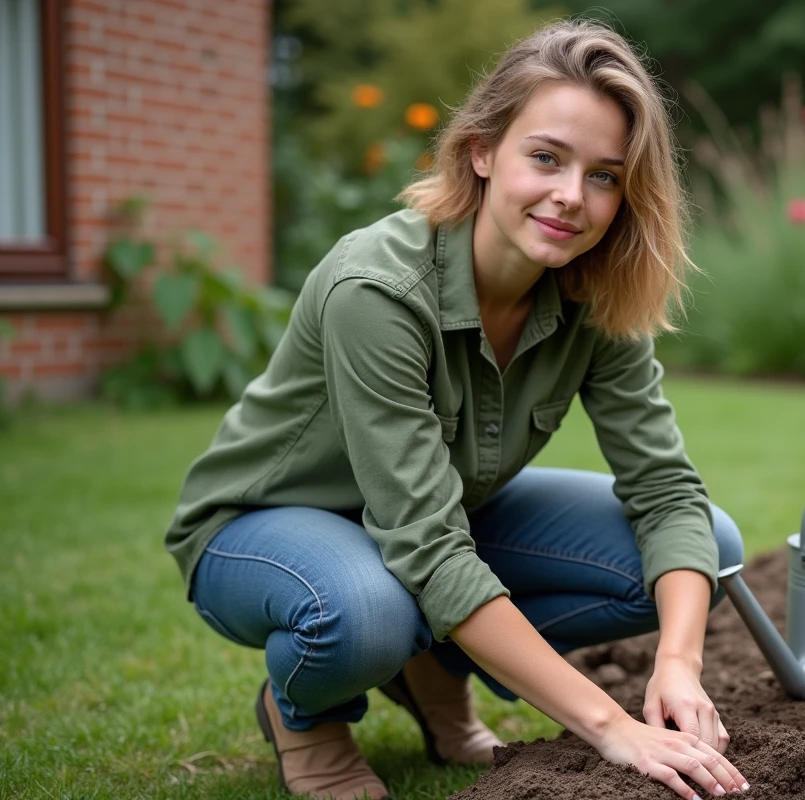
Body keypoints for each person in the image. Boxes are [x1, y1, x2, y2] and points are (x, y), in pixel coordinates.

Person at [165, 18, 749, 800]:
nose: (571, 196)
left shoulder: (595, 294)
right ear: (481, 151)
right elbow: (429, 546)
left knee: (706, 544)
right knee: (366, 609)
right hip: (262, 526)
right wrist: (615, 727)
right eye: (546, 157)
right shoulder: (377, 290)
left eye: (605, 176)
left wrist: (678, 664)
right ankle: (305, 715)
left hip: (436, 522)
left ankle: (434, 661)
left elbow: (667, 493)